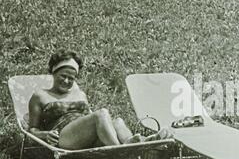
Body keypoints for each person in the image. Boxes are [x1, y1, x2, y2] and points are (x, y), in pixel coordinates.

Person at [28, 49, 172, 149]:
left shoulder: (80, 94)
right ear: (53, 73)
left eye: (71, 78)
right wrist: (45, 134)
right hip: (64, 137)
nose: (66, 81)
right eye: (63, 76)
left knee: (118, 122)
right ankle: (121, 151)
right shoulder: (40, 96)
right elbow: (31, 129)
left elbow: (89, 120)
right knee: (101, 113)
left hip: (85, 136)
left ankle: (138, 143)